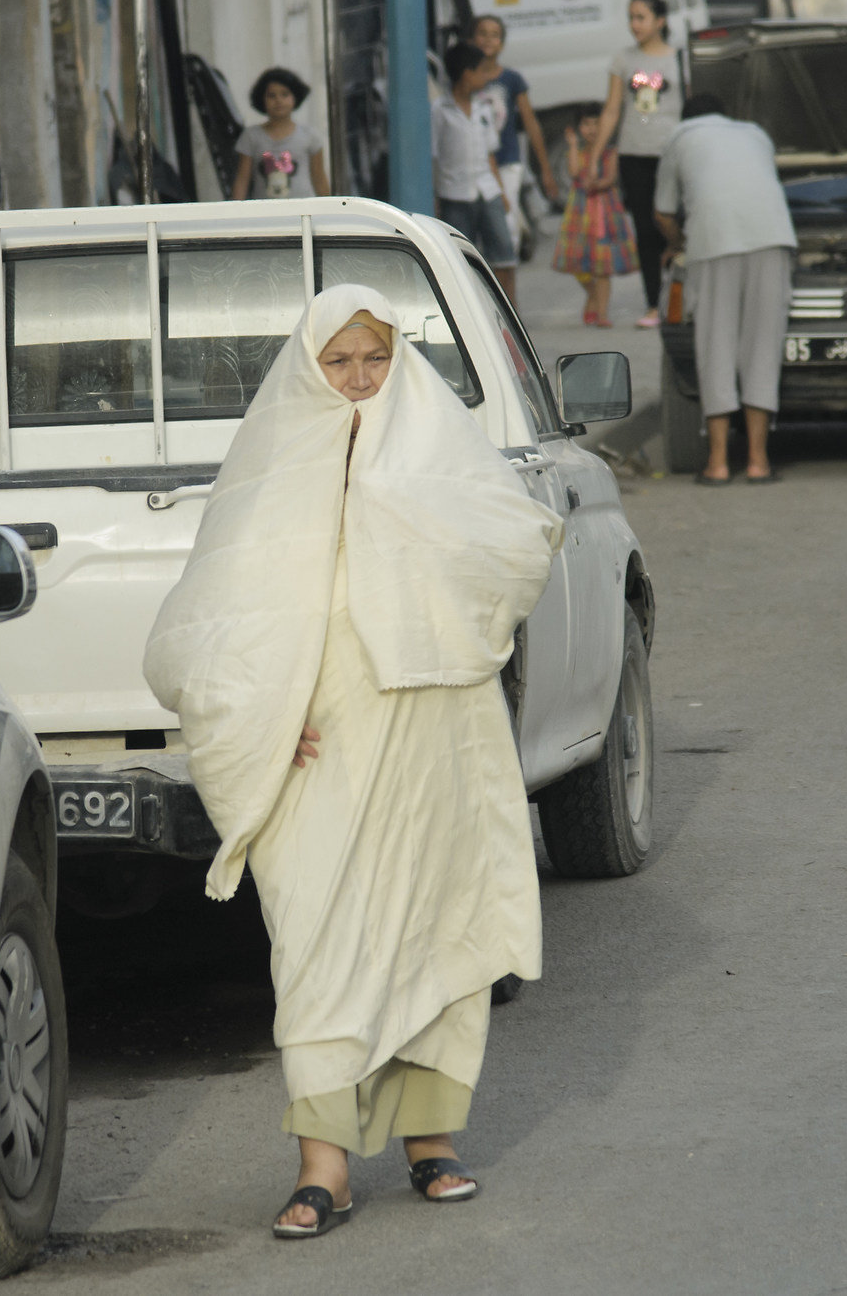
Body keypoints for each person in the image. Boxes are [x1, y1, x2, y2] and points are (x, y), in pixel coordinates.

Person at [142, 285, 560, 1241]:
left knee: (435, 924)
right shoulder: (270, 467)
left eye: (375, 359)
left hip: (436, 738)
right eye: (339, 363)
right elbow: (203, 628)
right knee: (320, 941)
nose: (360, 380)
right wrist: (258, 718)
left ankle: (431, 1142)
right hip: (318, 757)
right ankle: (321, 1167)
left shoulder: (439, 454)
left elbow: (518, 552)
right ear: (307, 369)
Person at [655, 94, 797, 485]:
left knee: (716, 346)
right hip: (774, 238)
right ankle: (758, 462)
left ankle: (717, 463)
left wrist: (678, 242)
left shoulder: (680, 136)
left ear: (687, 118)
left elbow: (663, 212)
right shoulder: (755, 134)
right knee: (762, 348)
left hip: (714, 239)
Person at [594, 0, 683, 327]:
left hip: (670, 153)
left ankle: (680, 299)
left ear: (660, 21)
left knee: (673, 226)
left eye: (641, 17)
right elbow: (612, 109)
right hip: (634, 153)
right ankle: (652, 305)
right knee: (645, 230)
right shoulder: (623, 59)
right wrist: (597, 154)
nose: (635, 24)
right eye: (631, 17)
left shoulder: (679, 58)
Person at [433, 41, 518, 298]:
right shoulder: (440, 110)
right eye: (481, 70)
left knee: (504, 253)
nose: (485, 76)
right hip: (454, 193)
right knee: (459, 256)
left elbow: (490, 153)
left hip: (487, 189)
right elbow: (434, 158)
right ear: (466, 74)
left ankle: (509, 309)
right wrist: (435, 197)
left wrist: (501, 192)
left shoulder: (484, 107)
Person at [469, 16, 559, 258]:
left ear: (502, 43)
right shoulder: (466, 80)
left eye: (495, 34)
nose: (488, 40)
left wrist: (545, 169)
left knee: (507, 227)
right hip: (476, 164)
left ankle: (506, 285)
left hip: (507, 161)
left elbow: (530, 122)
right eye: (482, 33)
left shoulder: (511, 80)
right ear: (472, 39)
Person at [551, 104, 635, 324]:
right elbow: (573, 172)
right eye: (586, 124)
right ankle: (593, 297)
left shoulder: (610, 153)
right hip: (580, 213)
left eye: (597, 123)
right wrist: (571, 145)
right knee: (580, 265)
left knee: (603, 266)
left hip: (604, 212)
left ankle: (602, 312)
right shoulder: (578, 152)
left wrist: (597, 183)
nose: (591, 129)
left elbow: (610, 178)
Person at [232, 68, 332, 199]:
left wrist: (328, 212)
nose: (278, 100)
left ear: (295, 97)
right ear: (262, 99)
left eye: (285, 94)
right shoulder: (251, 136)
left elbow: (319, 179)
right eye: (271, 96)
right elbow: (242, 180)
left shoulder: (310, 137)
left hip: (303, 213)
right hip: (264, 214)